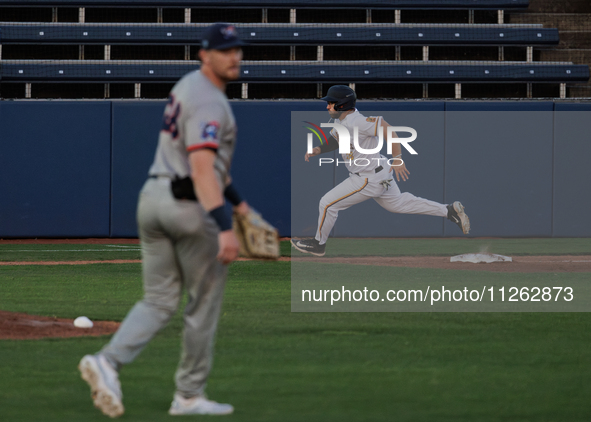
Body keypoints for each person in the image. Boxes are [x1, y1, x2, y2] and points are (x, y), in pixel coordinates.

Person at [78, 23, 249, 417]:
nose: (234, 56)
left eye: (237, 49)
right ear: (204, 54)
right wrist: (225, 226)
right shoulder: (211, 101)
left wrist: (239, 205)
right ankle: (188, 395)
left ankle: (108, 362)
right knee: (203, 302)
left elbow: (209, 165)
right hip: (188, 206)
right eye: (225, 50)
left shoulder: (187, 86)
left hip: (152, 198)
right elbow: (203, 168)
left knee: (159, 298)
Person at [291, 85, 470, 257]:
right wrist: (318, 150)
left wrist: (398, 158)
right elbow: (336, 140)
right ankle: (449, 211)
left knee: (327, 203)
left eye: (331, 102)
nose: (327, 105)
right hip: (379, 172)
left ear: (342, 104)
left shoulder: (358, 121)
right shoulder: (342, 121)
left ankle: (318, 244)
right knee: (398, 204)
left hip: (367, 178)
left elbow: (389, 130)